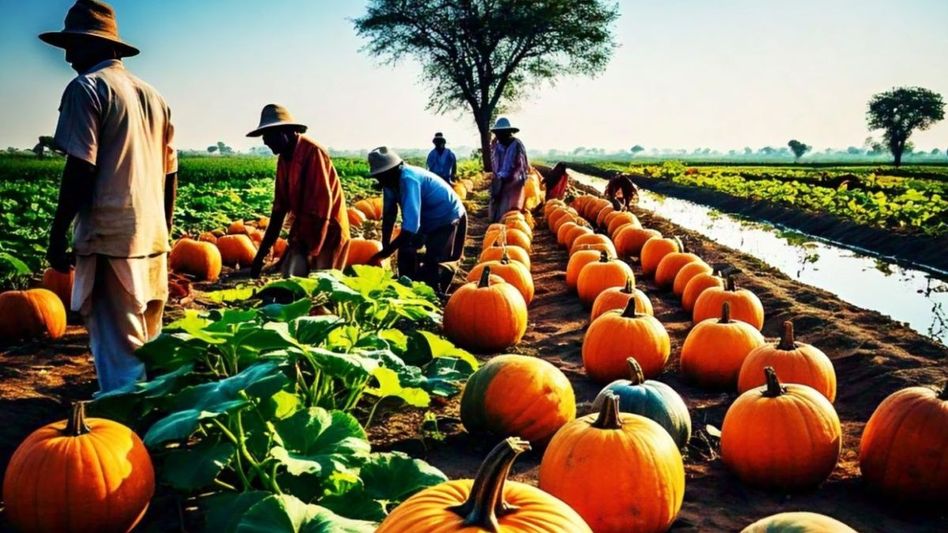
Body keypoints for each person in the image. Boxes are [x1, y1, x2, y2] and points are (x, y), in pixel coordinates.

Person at [40, 0, 177, 393]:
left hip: (110, 237)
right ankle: (152, 433)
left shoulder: (88, 88)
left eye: (74, 45)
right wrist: (163, 232)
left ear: (99, 45)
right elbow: (171, 174)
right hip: (151, 239)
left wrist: (57, 234)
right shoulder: (154, 96)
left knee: (119, 352)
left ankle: (128, 436)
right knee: (148, 343)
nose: (68, 56)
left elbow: (81, 167)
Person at [247, 104, 351, 278]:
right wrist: (261, 254)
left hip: (327, 232)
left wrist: (311, 250)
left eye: (268, 135)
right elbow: (279, 210)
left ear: (285, 132)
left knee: (321, 289)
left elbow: (321, 207)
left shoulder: (312, 152)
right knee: (293, 281)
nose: (265, 141)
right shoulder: (284, 159)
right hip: (304, 230)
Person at [367, 147, 467, 295]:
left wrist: (385, 253)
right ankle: (407, 287)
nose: (380, 180)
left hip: (446, 216)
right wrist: (385, 245)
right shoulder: (389, 184)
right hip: (425, 218)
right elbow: (389, 215)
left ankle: (434, 295)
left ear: (394, 169)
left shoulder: (408, 179)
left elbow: (410, 229)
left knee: (435, 259)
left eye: (382, 176)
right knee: (406, 252)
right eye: (378, 177)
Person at [488, 117, 529, 222]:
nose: (498, 136)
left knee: (510, 210)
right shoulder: (497, 146)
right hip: (501, 180)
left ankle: (511, 228)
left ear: (508, 133)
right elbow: (496, 164)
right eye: (497, 134)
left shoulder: (516, 145)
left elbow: (518, 166)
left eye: (501, 133)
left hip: (514, 182)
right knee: (498, 205)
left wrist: (505, 177)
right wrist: (498, 178)